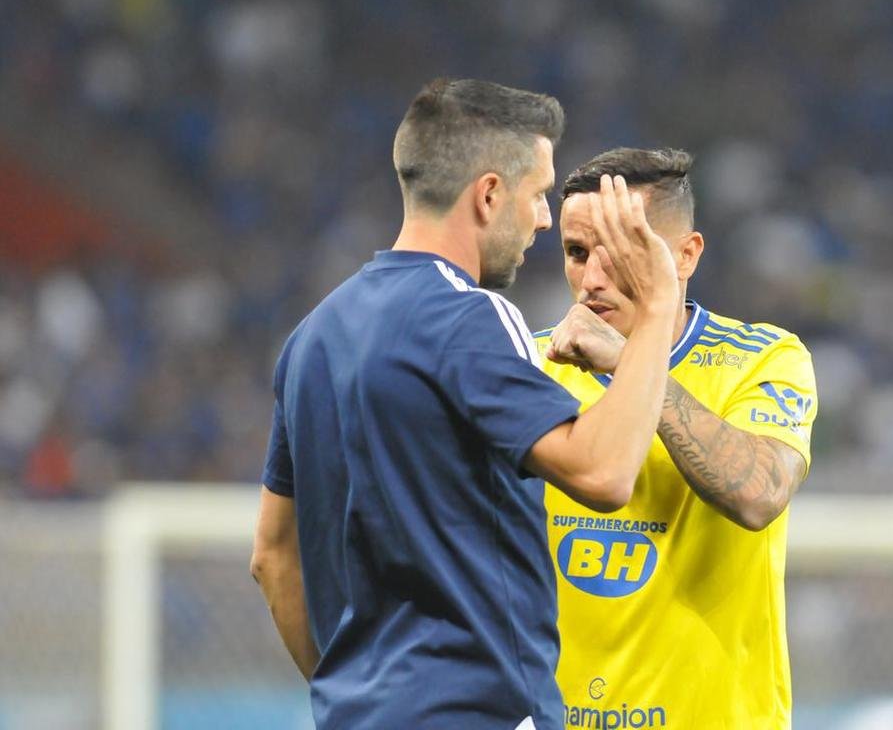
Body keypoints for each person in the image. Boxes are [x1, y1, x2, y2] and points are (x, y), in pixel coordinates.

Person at [249, 80, 680, 730]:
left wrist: (359, 698)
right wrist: (655, 310)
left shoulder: (312, 337)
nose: (541, 217)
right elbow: (604, 472)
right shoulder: (469, 318)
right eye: (536, 194)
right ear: (487, 195)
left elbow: (272, 557)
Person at [536, 147, 819, 729]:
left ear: (685, 256)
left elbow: (759, 493)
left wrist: (632, 366)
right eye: (576, 252)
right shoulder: (529, 363)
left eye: (621, 253)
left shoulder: (764, 359)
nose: (592, 279)